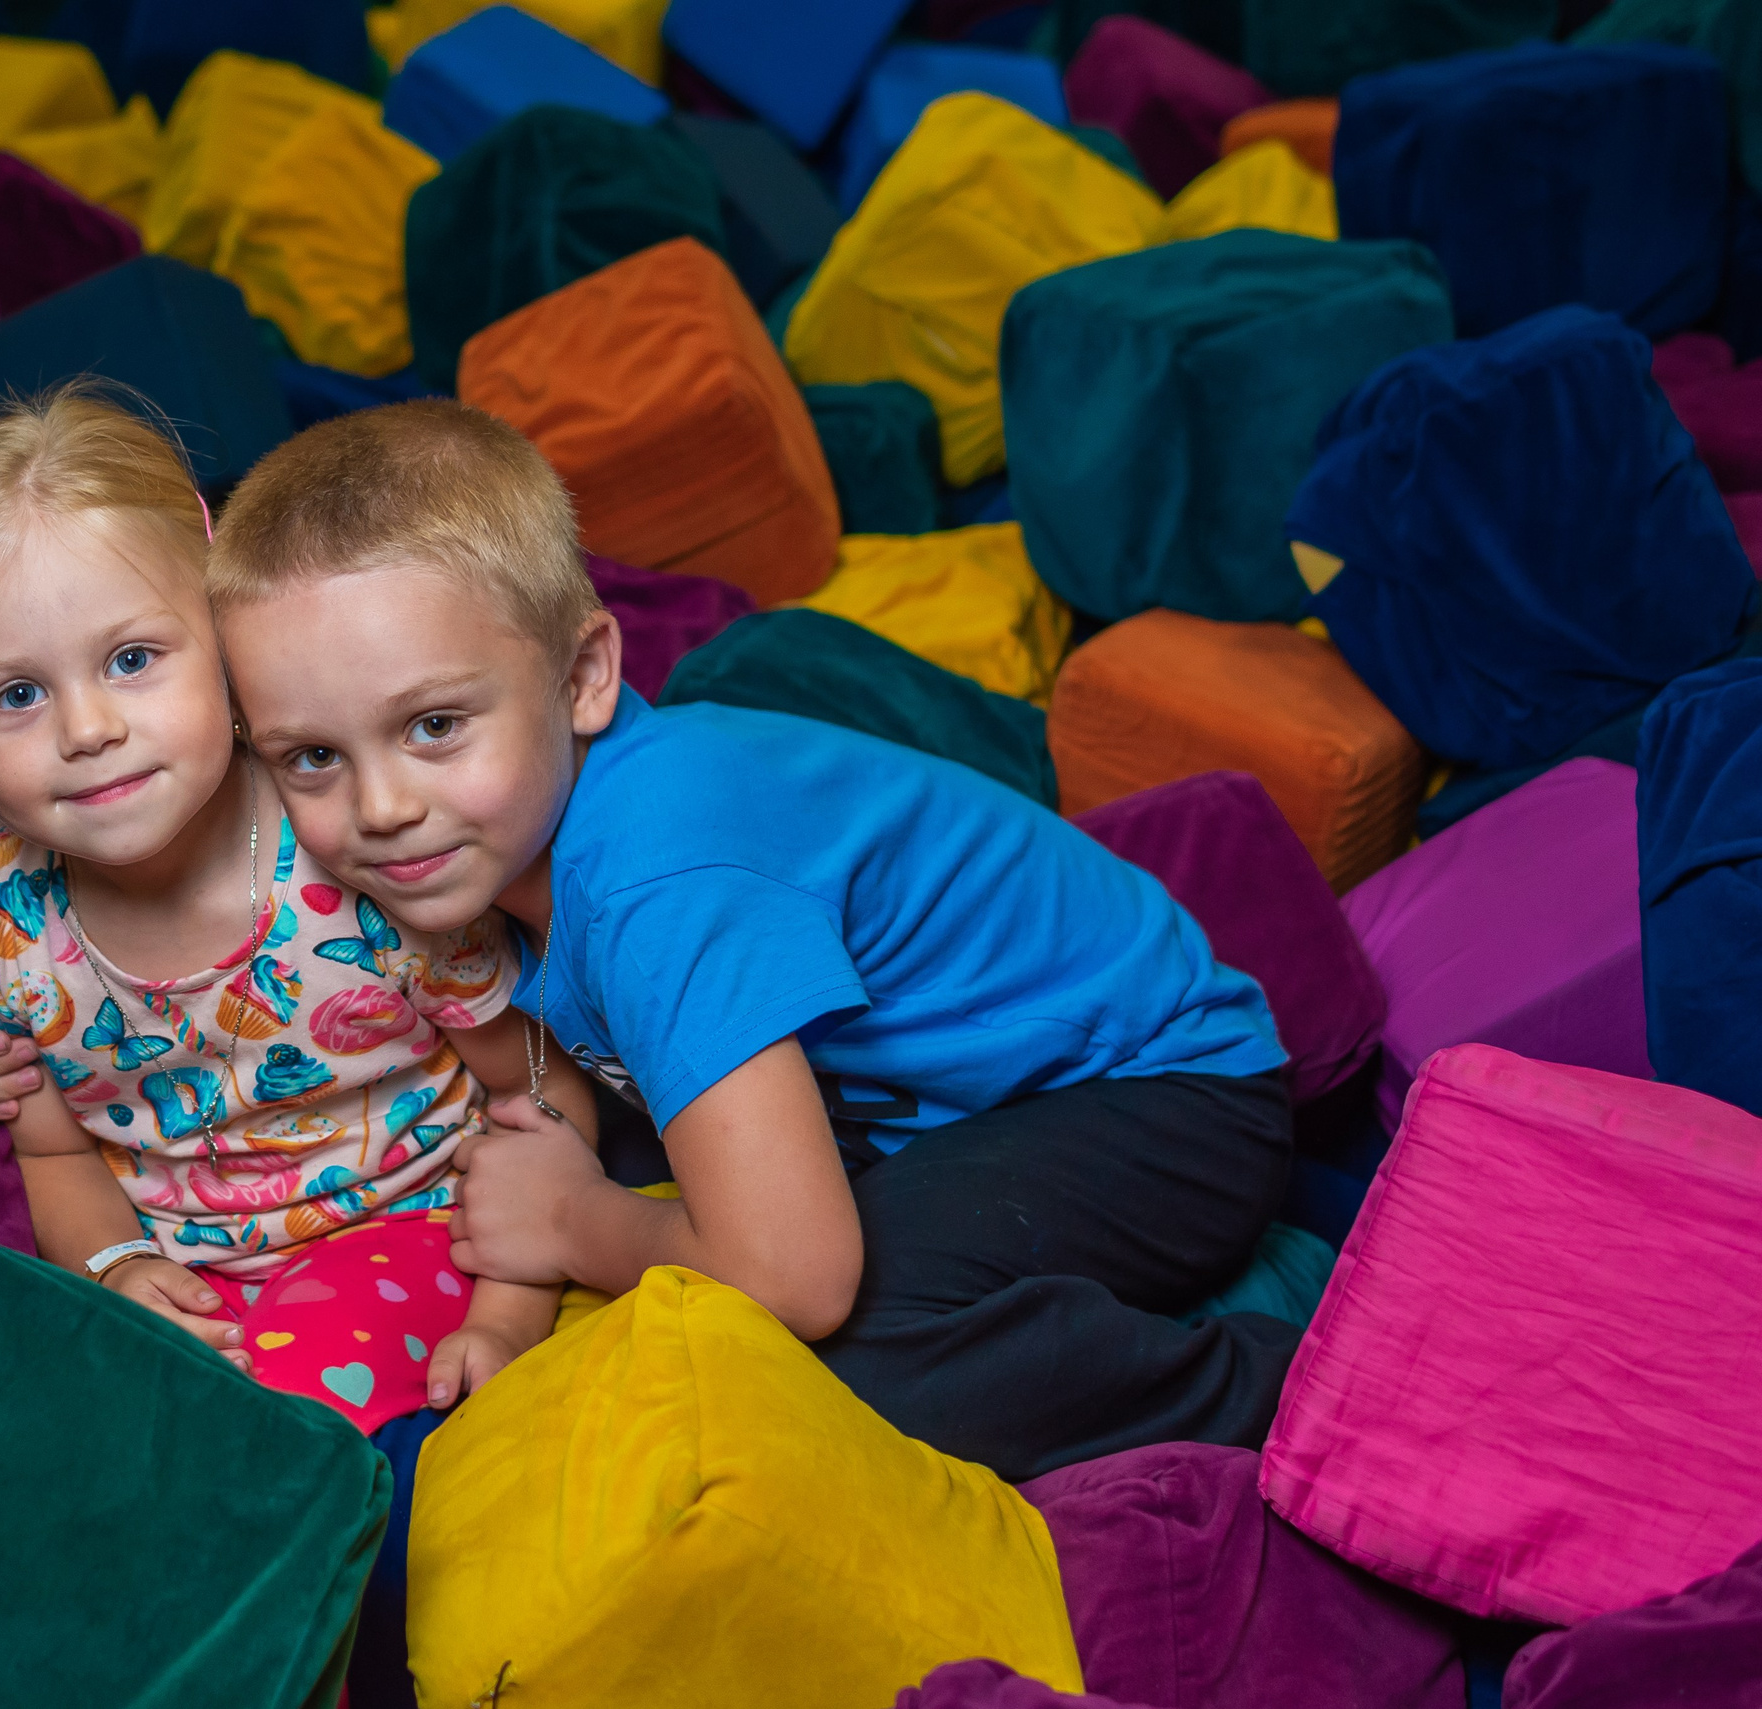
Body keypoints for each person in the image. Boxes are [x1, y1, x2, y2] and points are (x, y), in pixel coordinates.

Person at [204, 398, 1299, 1481]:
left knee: (840, 1363)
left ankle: (1274, 1381)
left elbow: (793, 1273)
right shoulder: (484, 847)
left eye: (434, 724)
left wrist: (579, 1224)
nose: (381, 804)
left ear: (584, 677)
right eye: (311, 757)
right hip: (929, 1116)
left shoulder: (657, 882)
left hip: (1160, 1090)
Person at [0, 387, 587, 1434]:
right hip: (182, 1274)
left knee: (260, 1418)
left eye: (132, 659)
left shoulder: (354, 840)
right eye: (15, 695)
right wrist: (117, 1270)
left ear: (222, 632)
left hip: (418, 1225)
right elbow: (51, 1153)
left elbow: (539, 1093)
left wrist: (511, 1308)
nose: (87, 728)